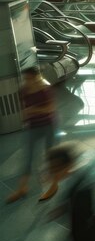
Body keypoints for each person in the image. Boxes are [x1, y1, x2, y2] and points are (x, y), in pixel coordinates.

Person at [6, 67, 58, 203]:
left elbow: (50, 108)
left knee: (50, 155)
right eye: (25, 79)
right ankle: (22, 188)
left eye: (29, 79)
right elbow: (24, 108)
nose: (27, 82)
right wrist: (26, 118)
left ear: (37, 77)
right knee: (27, 158)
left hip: (48, 126)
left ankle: (53, 185)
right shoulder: (23, 90)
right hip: (32, 127)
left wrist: (33, 110)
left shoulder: (45, 90)